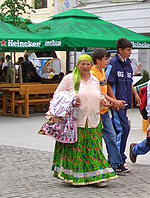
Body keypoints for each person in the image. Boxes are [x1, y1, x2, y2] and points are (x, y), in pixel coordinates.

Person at [51, 54, 117, 187]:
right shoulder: (70, 79)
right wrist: (71, 101)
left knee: (94, 149)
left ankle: (98, 176)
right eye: (83, 64)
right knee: (76, 150)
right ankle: (76, 176)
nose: (86, 67)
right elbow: (57, 95)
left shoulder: (94, 80)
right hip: (76, 120)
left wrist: (103, 101)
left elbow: (97, 95)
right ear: (77, 65)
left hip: (93, 119)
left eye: (88, 64)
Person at [91, 48, 128, 175]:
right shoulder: (93, 73)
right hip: (95, 112)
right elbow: (99, 93)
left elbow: (107, 88)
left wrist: (113, 101)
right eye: (105, 59)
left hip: (104, 111)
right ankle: (99, 165)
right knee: (97, 139)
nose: (107, 61)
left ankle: (114, 164)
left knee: (111, 136)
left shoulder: (102, 72)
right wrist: (115, 102)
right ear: (98, 60)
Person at [107, 38, 141, 169]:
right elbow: (108, 83)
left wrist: (136, 94)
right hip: (117, 103)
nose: (130, 52)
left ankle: (116, 158)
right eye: (128, 50)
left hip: (125, 102)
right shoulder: (113, 63)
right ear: (120, 50)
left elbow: (130, 81)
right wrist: (113, 100)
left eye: (131, 49)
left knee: (120, 130)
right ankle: (117, 160)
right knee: (122, 128)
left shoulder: (128, 64)